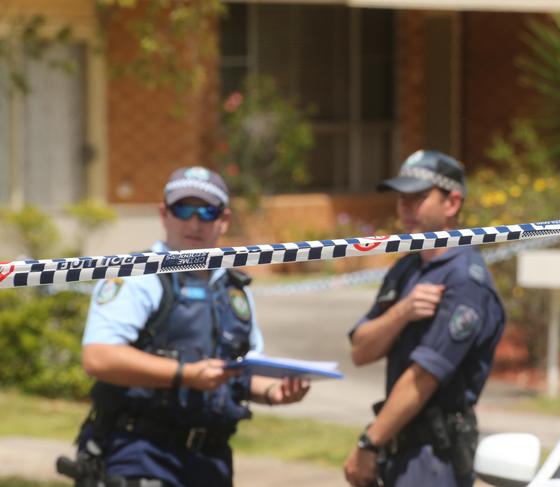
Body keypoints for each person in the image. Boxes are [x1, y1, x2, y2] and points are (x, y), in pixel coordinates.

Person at [66, 166, 310, 487]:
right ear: (164, 214)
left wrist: (274, 391)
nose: (194, 222)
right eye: (183, 209)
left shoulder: (234, 288)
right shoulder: (138, 275)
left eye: (207, 212)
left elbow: (241, 371)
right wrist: (185, 374)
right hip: (141, 454)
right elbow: (99, 357)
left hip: (211, 462)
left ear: (223, 220)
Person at [343, 150, 505, 487]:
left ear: (452, 203)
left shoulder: (464, 280)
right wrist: (402, 312)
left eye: (418, 197)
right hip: (401, 446)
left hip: (435, 455)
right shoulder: (408, 267)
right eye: (402, 199)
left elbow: (424, 378)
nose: (405, 208)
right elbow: (361, 350)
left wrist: (369, 443)